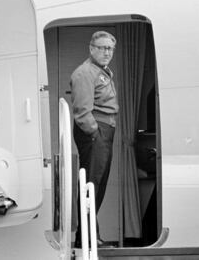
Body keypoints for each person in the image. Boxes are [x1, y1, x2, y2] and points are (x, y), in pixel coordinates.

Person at [70, 31, 119, 248]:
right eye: (102, 47)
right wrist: (95, 133)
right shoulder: (85, 72)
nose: (107, 52)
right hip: (95, 130)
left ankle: (88, 236)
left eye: (110, 48)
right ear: (91, 49)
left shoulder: (100, 71)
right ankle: (88, 238)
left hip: (104, 129)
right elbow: (82, 111)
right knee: (91, 184)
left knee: (97, 185)